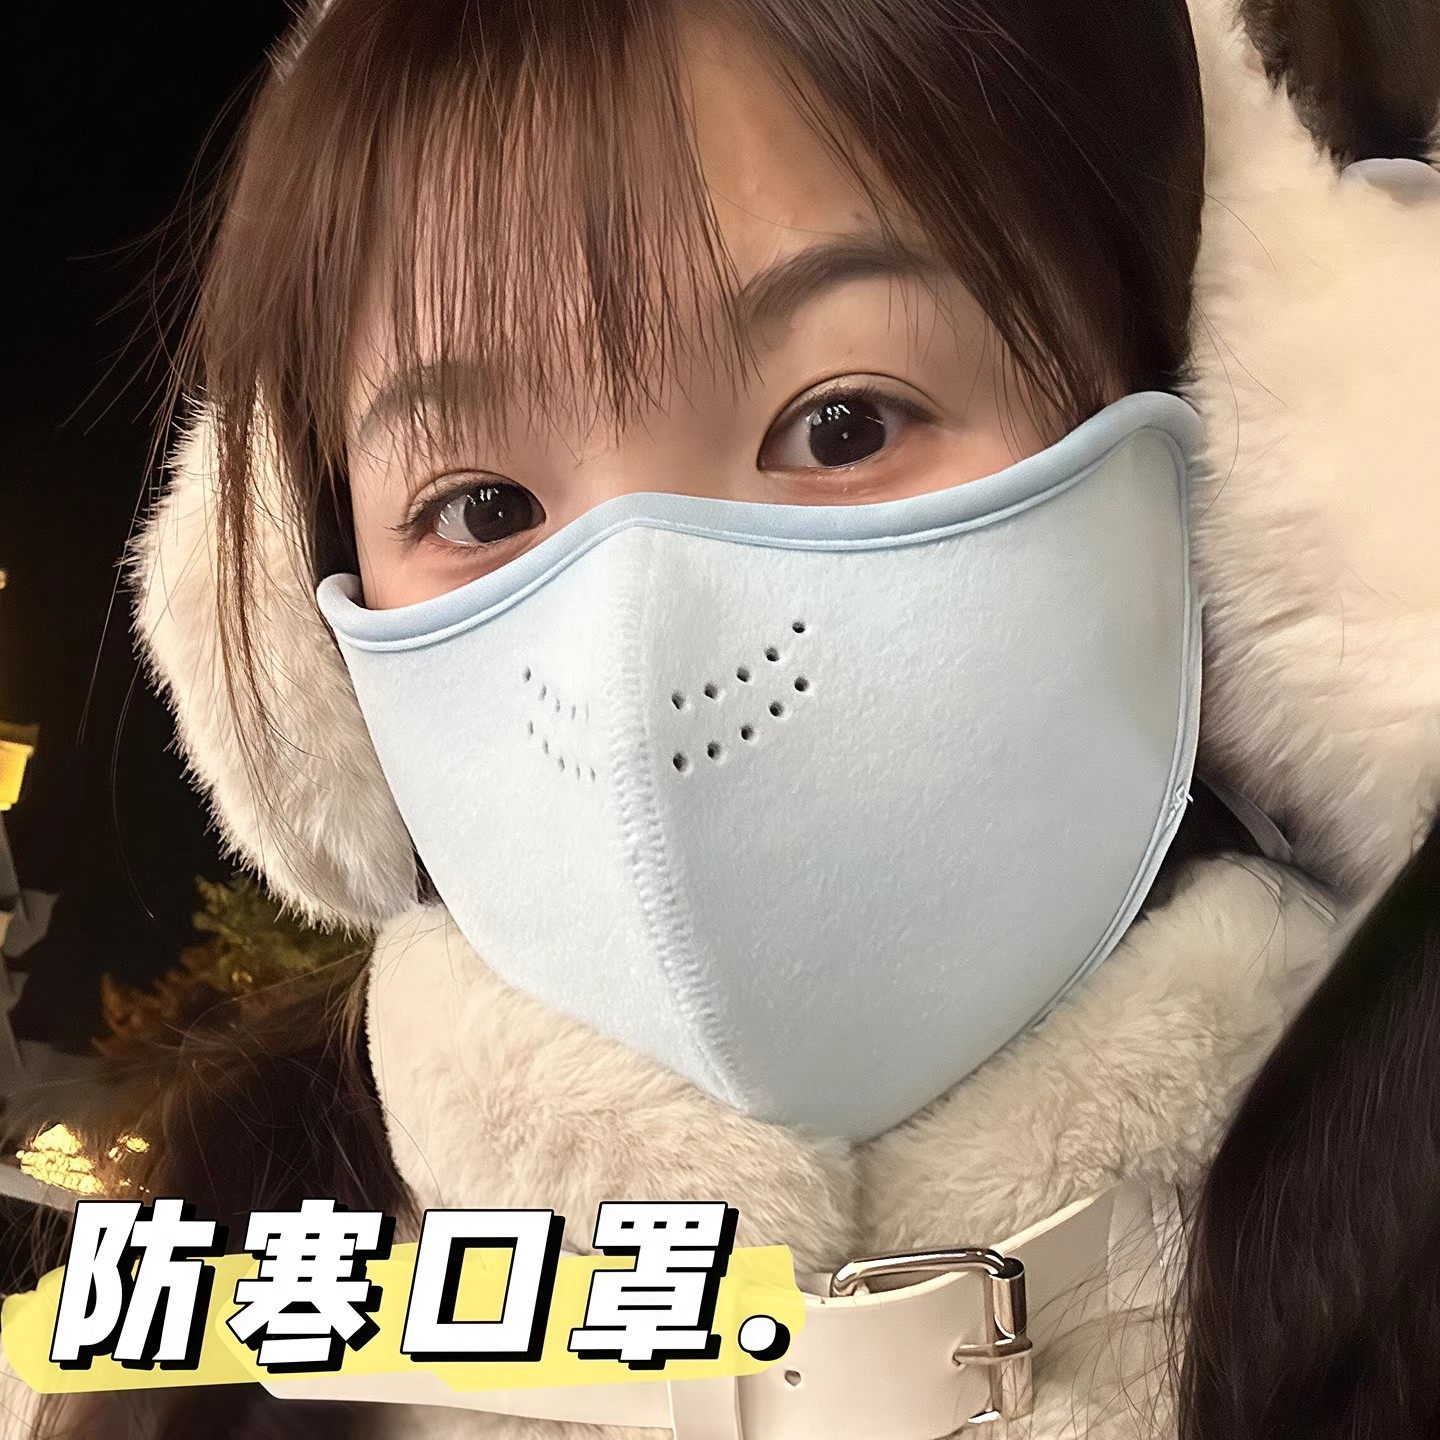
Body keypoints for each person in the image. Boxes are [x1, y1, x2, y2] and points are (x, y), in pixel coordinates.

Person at [8, 0, 1440, 1436]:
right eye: (481, 507)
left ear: (1237, 459)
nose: (640, 645)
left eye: (844, 422)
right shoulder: (173, 1351)